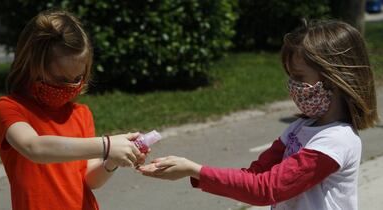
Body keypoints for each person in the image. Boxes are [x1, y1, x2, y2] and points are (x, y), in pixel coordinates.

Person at [139, 19, 378, 210]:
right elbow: (255, 175)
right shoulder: (299, 128)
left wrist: (195, 170)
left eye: (299, 77)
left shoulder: (336, 142)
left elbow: (267, 189)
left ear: (334, 80)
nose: (292, 85)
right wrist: (193, 173)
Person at [0, 10, 146, 210]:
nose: (70, 87)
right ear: (32, 66)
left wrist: (111, 161)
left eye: (77, 79)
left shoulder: (81, 114)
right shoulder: (9, 108)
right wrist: (107, 145)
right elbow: (34, 147)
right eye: (60, 79)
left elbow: (90, 180)